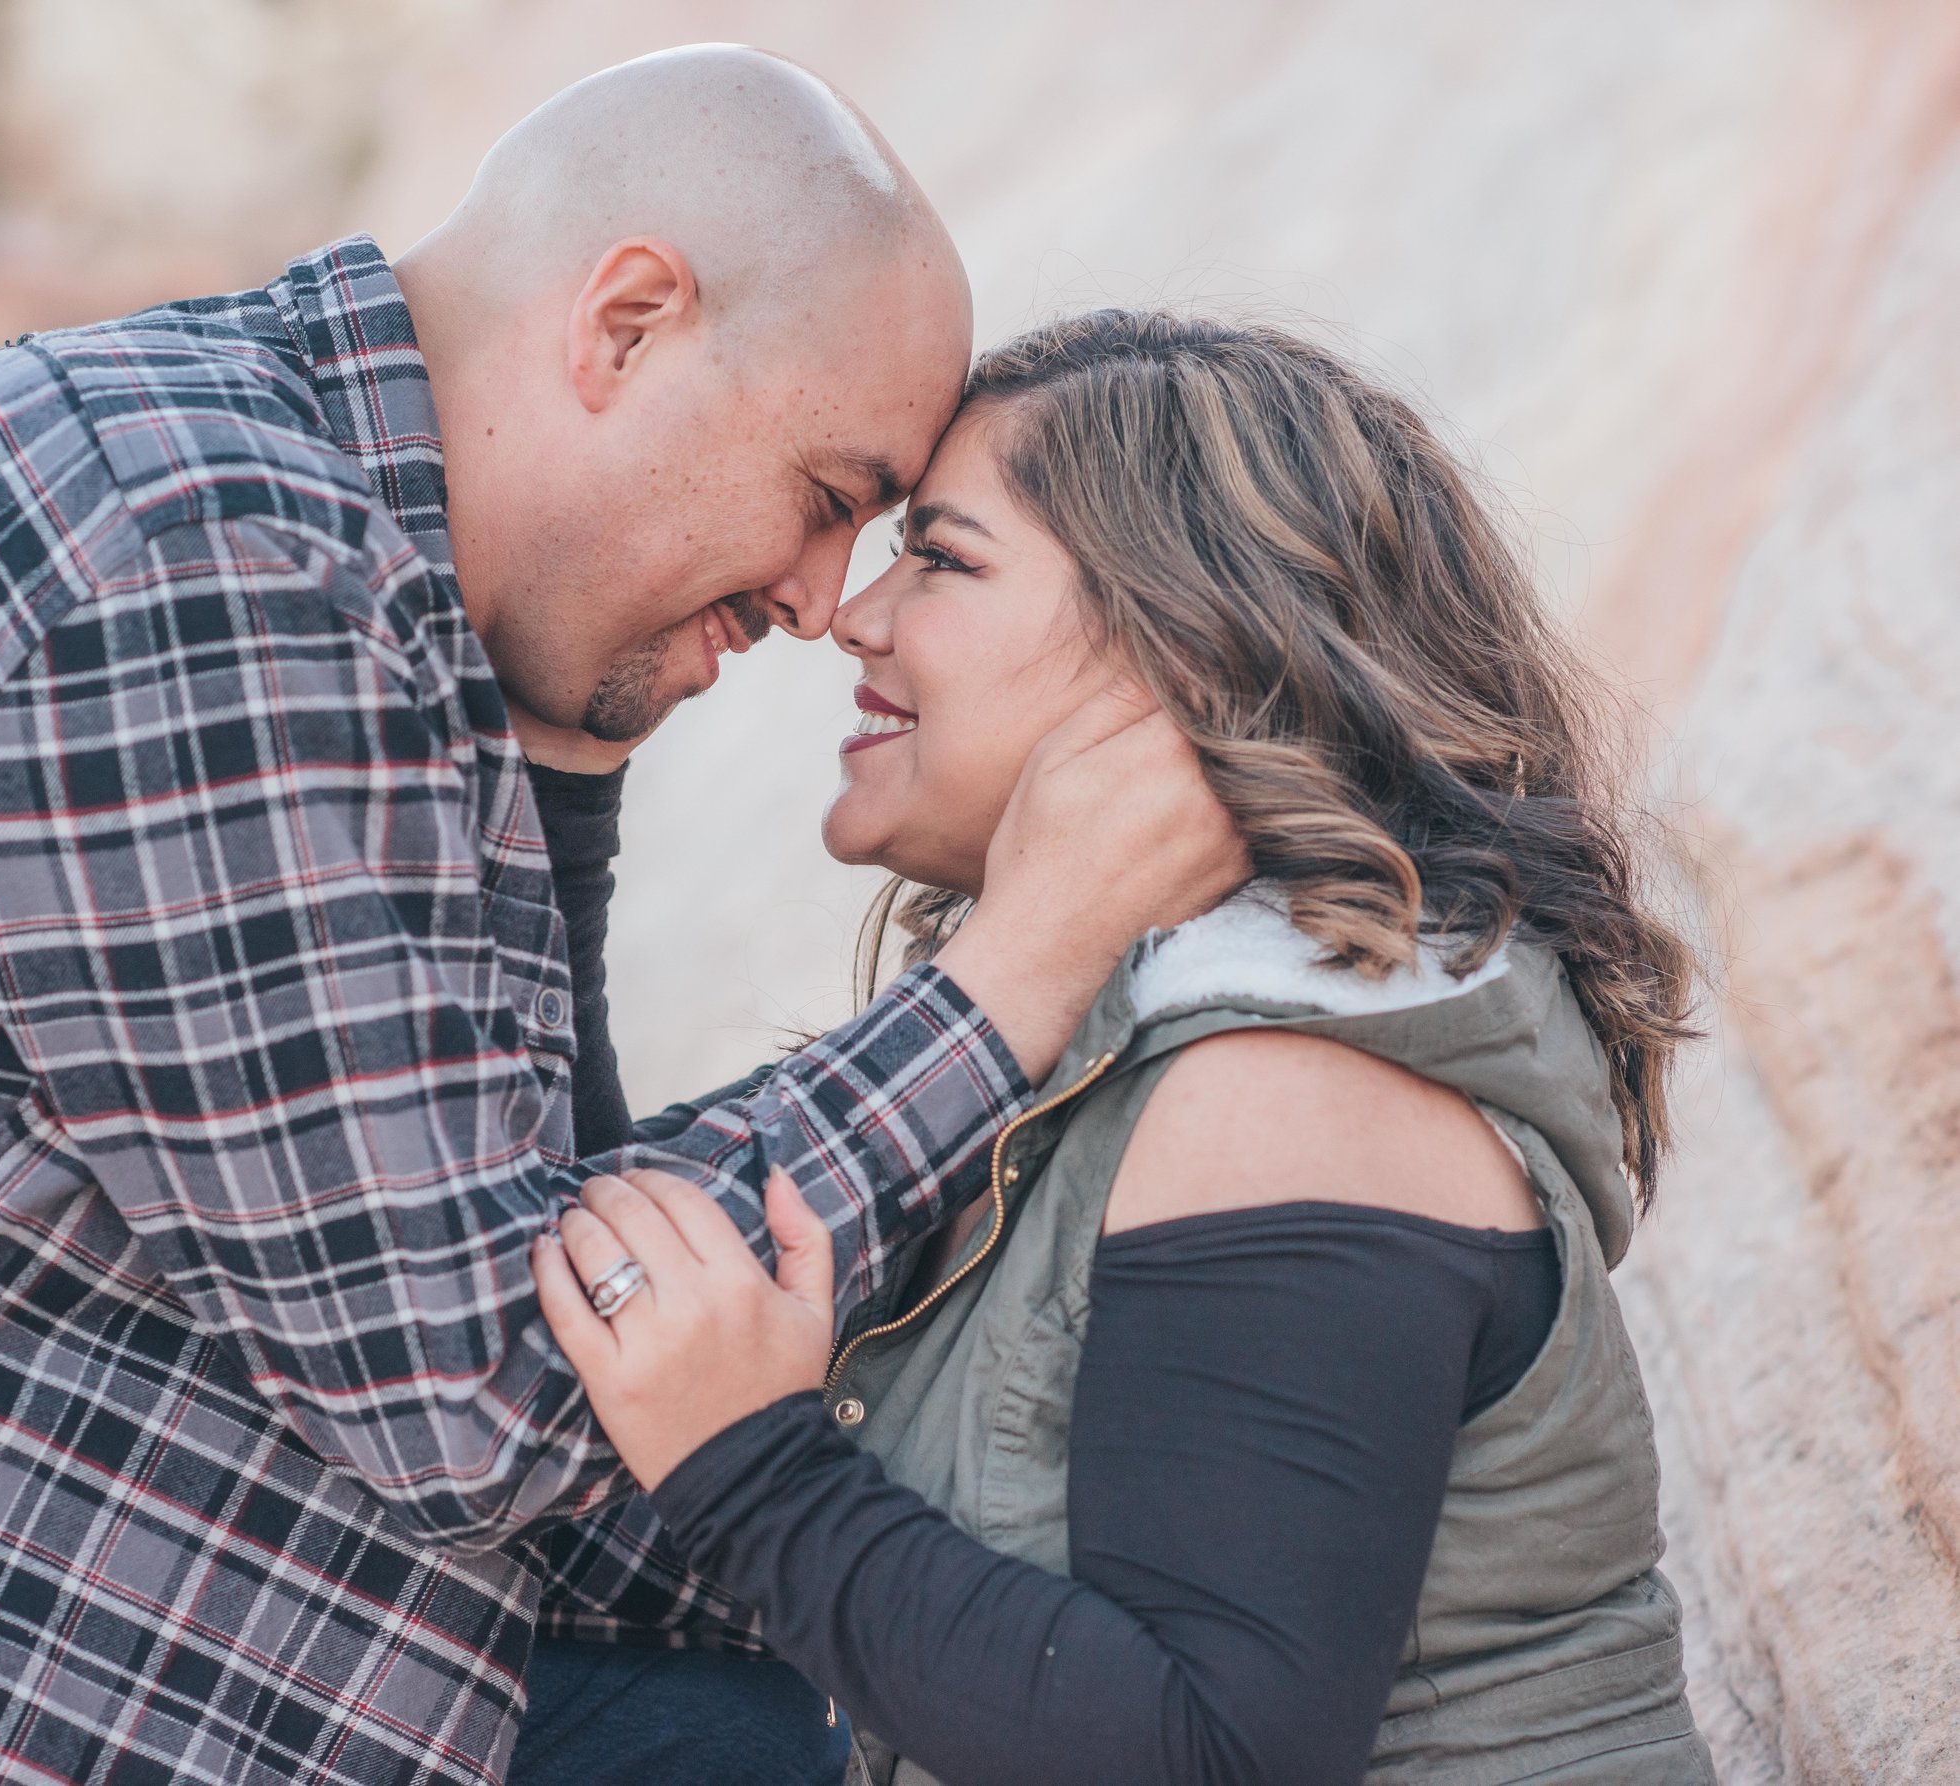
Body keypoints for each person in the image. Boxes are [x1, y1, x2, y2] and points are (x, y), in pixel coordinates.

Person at [0, 52, 1246, 1786]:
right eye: (829, 500)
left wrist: (562, 774)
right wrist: (1028, 956)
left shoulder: (350, 577)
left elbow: (553, 1259)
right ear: (626, 324)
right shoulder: (191, 548)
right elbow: (497, 1390)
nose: (812, 602)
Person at [537, 311, 1718, 1784]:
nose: (857, 614)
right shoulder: (1088, 1034)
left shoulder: (1298, 1078)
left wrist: (756, 1473)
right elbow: (580, 1237)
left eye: (946, 559)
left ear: (1184, 650)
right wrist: (564, 777)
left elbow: (1215, 1754)